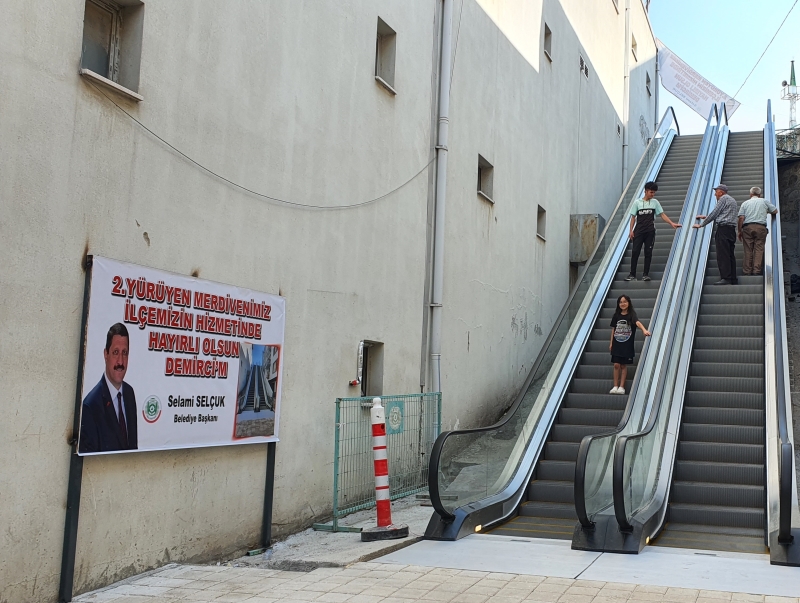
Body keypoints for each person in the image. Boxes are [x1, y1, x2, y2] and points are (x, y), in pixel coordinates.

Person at [79, 323, 138, 453]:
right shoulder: (91, 406)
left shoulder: (129, 394)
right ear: (106, 354)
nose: (120, 362)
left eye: (124, 353)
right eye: (116, 352)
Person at [626, 181, 682, 281]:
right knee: (635, 251)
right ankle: (632, 274)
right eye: (651, 192)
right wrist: (631, 230)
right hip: (638, 231)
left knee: (648, 252)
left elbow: (662, 214)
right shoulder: (637, 203)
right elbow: (633, 217)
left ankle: (645, 274)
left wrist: (671, 223)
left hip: (650, 231)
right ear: (645, 191)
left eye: (654, 192)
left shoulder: (655, 202)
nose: (653, 194)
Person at [693, 184, 739, 285]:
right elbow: (724, 214)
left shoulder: (723, 199)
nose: (715, 194)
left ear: (721, 192)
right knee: (730, 254)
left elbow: (715, 213)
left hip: (723, 229)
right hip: (731, 230)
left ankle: (726, 278)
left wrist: (701, 225)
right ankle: (733, 278)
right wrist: (706, 217)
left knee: (722, 254)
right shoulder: (732, 200)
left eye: (716, 192)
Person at [609, 295, 651, 395]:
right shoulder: (616, 315)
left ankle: (621, 387)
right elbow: (613, 329)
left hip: (627, 344)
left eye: (625, 302)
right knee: (616, 365)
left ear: (628, 303)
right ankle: (615, 386)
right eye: (620, 302)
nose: (623, 304)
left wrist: (644, 330)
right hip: (617, 343)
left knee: (623, 365)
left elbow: (637, 322)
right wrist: (611, 343)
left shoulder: (631, 315)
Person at [737, 186, 777, 276]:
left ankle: (747, 271)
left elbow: (741, 218)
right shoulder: (764, 201)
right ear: (759, 194)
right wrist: (766, 211)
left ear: (750, 194)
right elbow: (775, 211)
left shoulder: (745, 203)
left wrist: (739, 231)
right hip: (761, 227)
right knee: (759, 249)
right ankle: (756, 271)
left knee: (748, 250)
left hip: (747, 228)